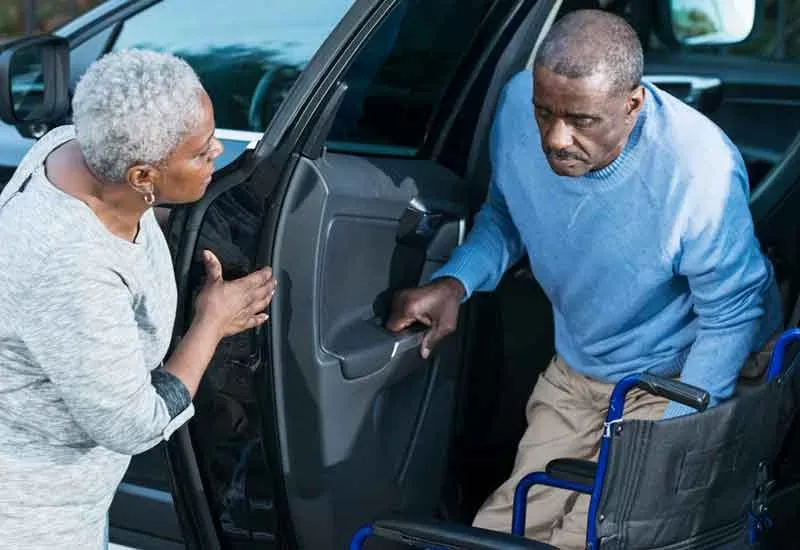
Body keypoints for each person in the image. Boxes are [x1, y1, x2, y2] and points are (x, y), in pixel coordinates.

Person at [387, 10, 783, 549]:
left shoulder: (698, 171)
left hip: (679, 369)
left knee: (593, 535)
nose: (555, 137)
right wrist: (456, 283)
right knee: (504, 530)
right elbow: (508, 216)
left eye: (582, 120)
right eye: (544, 111)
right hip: (584, 365)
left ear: (633, 104)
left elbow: (731, 315)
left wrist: (667, 439)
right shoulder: (514, 105)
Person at [0, 50, 276, 549]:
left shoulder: (72, 146)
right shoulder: (69, 268)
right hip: (32, 519)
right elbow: (135, 423)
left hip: (77, 498)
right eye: (200, 152)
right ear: (142, 178)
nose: (216, 152)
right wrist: (210, 323)